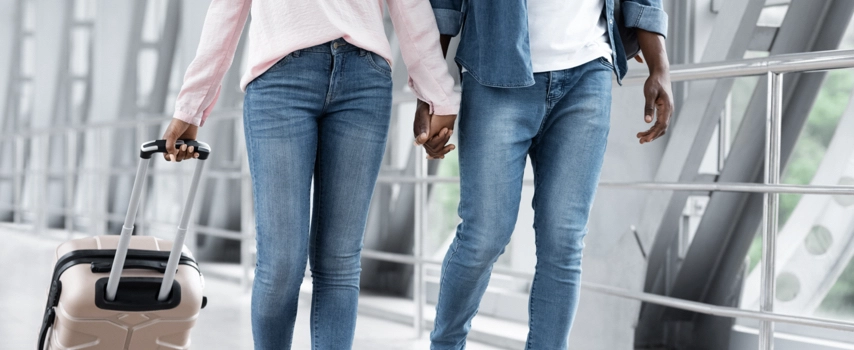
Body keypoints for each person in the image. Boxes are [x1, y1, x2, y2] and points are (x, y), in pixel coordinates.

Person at [160, 1, 460, 349]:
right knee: (281, 264)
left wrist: (439, 94)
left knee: (340, 263)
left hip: (364, 80)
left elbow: (409, 6)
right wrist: (190, 106)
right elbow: (226, 9)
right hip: (278, 80)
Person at [419, 0, 673, 348]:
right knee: (484, 235)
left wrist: (660, 65)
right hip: (495, 68)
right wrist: (431, 87)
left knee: (564, 242)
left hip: (587, 73)